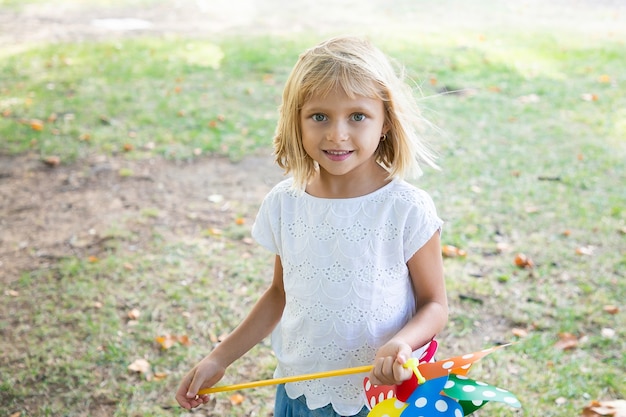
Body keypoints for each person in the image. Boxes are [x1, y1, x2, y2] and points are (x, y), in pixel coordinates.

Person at [175, 35, 448, 417]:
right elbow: (278, 293)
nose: (337, 134)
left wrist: (402, 343)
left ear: (385, 121)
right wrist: (219, 358)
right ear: (297, 122)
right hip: (300, 390)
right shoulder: (285, 203)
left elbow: (434, 304)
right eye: (320, 116)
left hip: (376, 397)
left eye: (358, 116)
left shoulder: (406, 209)